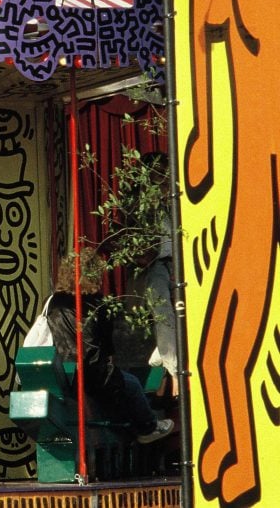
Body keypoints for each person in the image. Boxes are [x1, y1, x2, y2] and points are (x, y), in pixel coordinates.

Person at [46, 247, 173, 444]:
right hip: (92, 371)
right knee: (132, 385)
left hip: (61, 371)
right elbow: (106, 349)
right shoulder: (97, 304)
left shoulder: (54, 301)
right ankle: (148, 427)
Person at [131, 151, 178, 396]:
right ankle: (175, 372)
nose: (164, 177)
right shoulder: (141, 202)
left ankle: (158, 365)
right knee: (164, 315)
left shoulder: (172, 201)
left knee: (179, 317)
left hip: (176, 264)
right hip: (154, 265)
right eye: (160, 172)